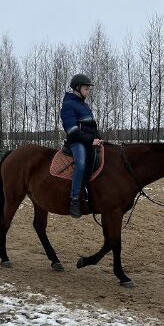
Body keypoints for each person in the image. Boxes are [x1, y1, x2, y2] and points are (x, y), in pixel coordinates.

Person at [60, 73, 103, 219]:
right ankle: (74, 199)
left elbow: (91, 127)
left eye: (88, 89)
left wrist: (98, 138)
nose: (88, 91)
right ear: (77, 88)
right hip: (76, 141)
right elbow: (72, 130)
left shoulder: (84, 106)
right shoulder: (68, 105)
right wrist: (91, 141)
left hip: (89, 140)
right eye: (86, 89)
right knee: (81, 163)